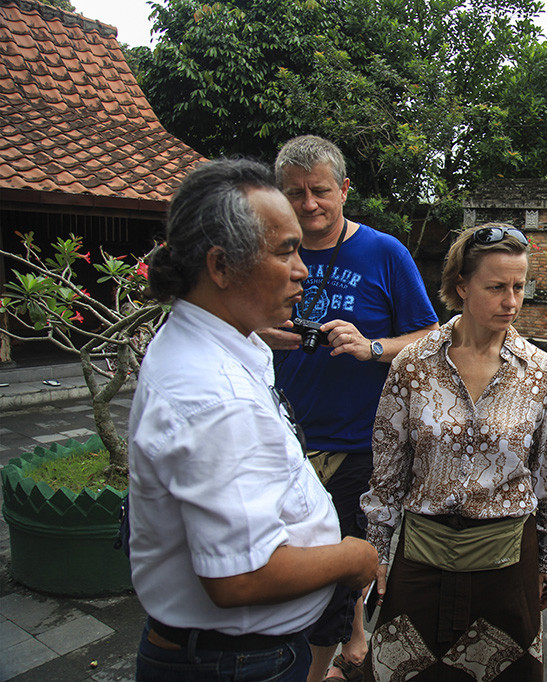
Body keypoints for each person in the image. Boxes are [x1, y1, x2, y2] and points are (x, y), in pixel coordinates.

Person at [128, 158, 378, 681]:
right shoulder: (216, 398)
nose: (303, 269)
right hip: (239, 662)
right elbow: (241, 577)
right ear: (221, 267)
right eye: (286, 250)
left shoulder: (221, 338)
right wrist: (353, 557)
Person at [259, 135, 439, 682]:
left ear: (344, 190)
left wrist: (372, 347)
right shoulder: (266, 253)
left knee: (344, 559)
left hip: (360, 441)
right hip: (283, 438)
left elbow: (431, 335)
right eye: (295, 193)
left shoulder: (385, 253)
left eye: (320, 191)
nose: (309, 204)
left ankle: (329, 662)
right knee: (290, 561)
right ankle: (341, 645)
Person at [360, 223, 547, 681]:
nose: (511, 301)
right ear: (461, 285)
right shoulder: (413, 364)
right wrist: (377, 550)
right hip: (422, 558)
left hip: (508, 561)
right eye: (496, 287)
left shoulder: (541, 372)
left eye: (519, 286)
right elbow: (387, 470)